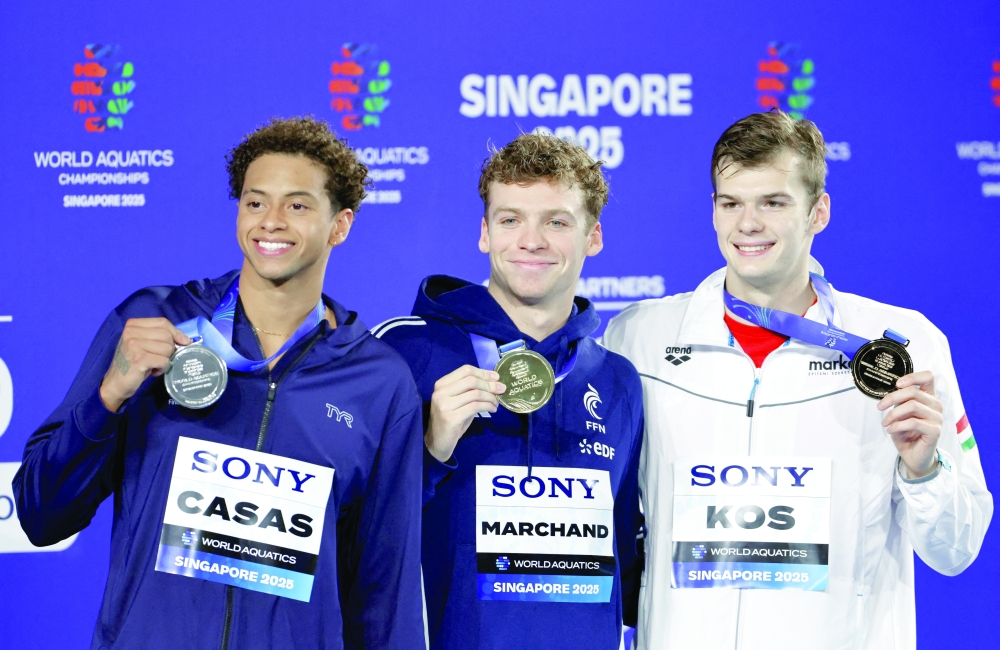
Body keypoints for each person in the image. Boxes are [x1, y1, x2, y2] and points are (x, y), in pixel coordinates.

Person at [14, 117, 424, 650]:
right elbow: (41, 515)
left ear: (340, 225)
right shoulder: (154, 322)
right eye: (255, 202)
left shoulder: (378, 381)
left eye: (297, 205)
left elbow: (385, 594)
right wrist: (110, 394)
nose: (271, 222)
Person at [603, 110, 993, 649]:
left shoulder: (901, 346)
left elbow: (957, 548)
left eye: (774, 203)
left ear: (818, 211)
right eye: (731, 203)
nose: (748, 224)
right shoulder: (638, 338)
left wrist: (925, 469)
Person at [376, 133, 644, 649]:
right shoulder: (403, 351)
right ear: (484, 232)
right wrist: (430, 450)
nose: (531, 240)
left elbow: (627, 560)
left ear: (594, 237)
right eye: (510, 219)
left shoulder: (618, 381)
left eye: (557, 221)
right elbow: (352, 529)